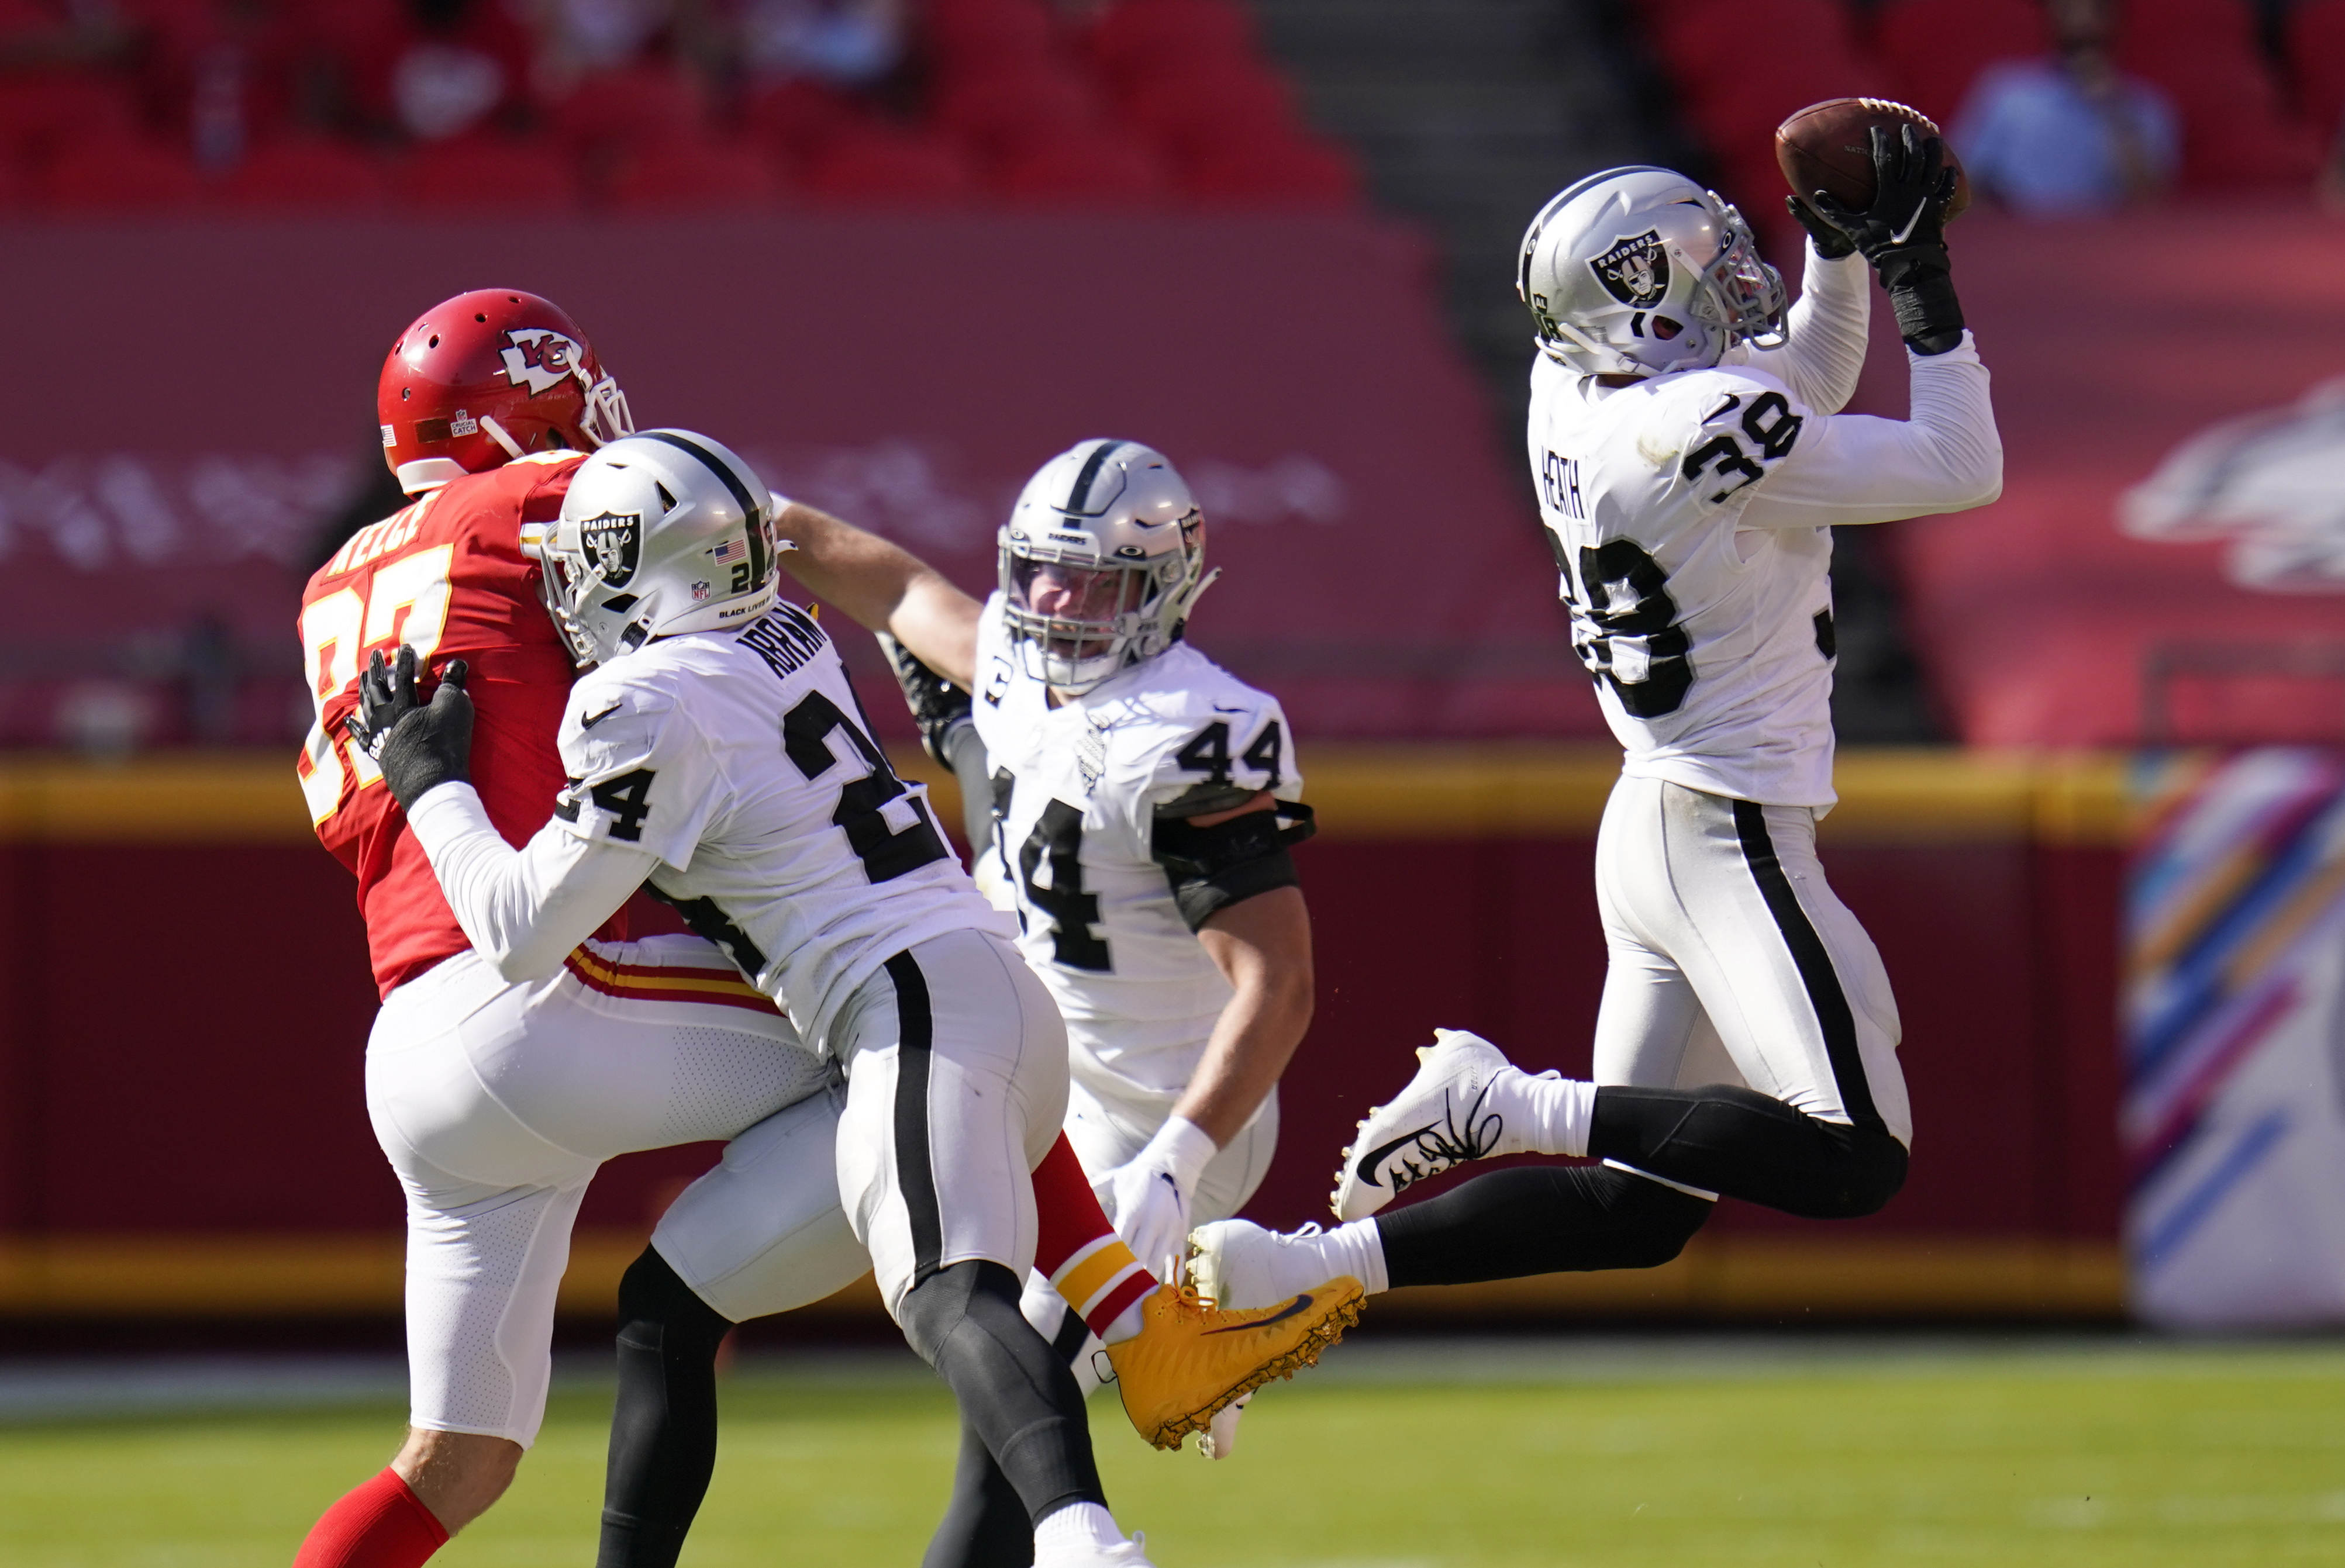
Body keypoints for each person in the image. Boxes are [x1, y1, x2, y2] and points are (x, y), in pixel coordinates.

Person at [292, 292, 1351, 1568]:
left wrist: (430, 778)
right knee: (921, 1054)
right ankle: (1136, 1341)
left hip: (408, 1040)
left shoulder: (334, 586)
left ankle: (1138, 1336)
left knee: (459, 1458)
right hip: (552, 981)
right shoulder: (618, 553)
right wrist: (443, 780)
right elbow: (708, 529)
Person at [1190, 134, 2001, 1316]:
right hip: (1725, 830)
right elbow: (1957, 462)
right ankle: (1507, 1105)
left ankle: (1308, 1265)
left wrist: (1834, 245)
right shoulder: (1688, 437)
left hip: (1660, 820)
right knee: (1850, 1152)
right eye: (1705, 262)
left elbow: (1795, 387)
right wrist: (1917, 274)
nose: (1735, 271)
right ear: (1641, 311)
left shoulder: (1575, 389)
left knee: (1639, 1208)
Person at [760, 438, 1321, 1560]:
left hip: (1158, 1106)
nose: (1057, 600)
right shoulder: (1012, 658)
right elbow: (892, 583)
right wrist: (733, 504)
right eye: (1042, 570)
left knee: (1012, 1426)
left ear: (1164, 587)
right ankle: (1183, 1329)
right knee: (1008, 1396)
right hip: (1033, 1078)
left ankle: (1187, 1310)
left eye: (1093, 578)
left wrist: (1180, 1157)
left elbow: (1279, 984)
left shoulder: (1196, 725)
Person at [1953, 0, 2177, 216]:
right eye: (2069, 9)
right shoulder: (2006, 93)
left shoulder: (2146, 105)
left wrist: (2112, 109)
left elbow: (2149, 201)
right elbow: (1961, 183)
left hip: (2105, 241)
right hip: (2018, 239)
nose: (2082, 22)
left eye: (2094, 9)